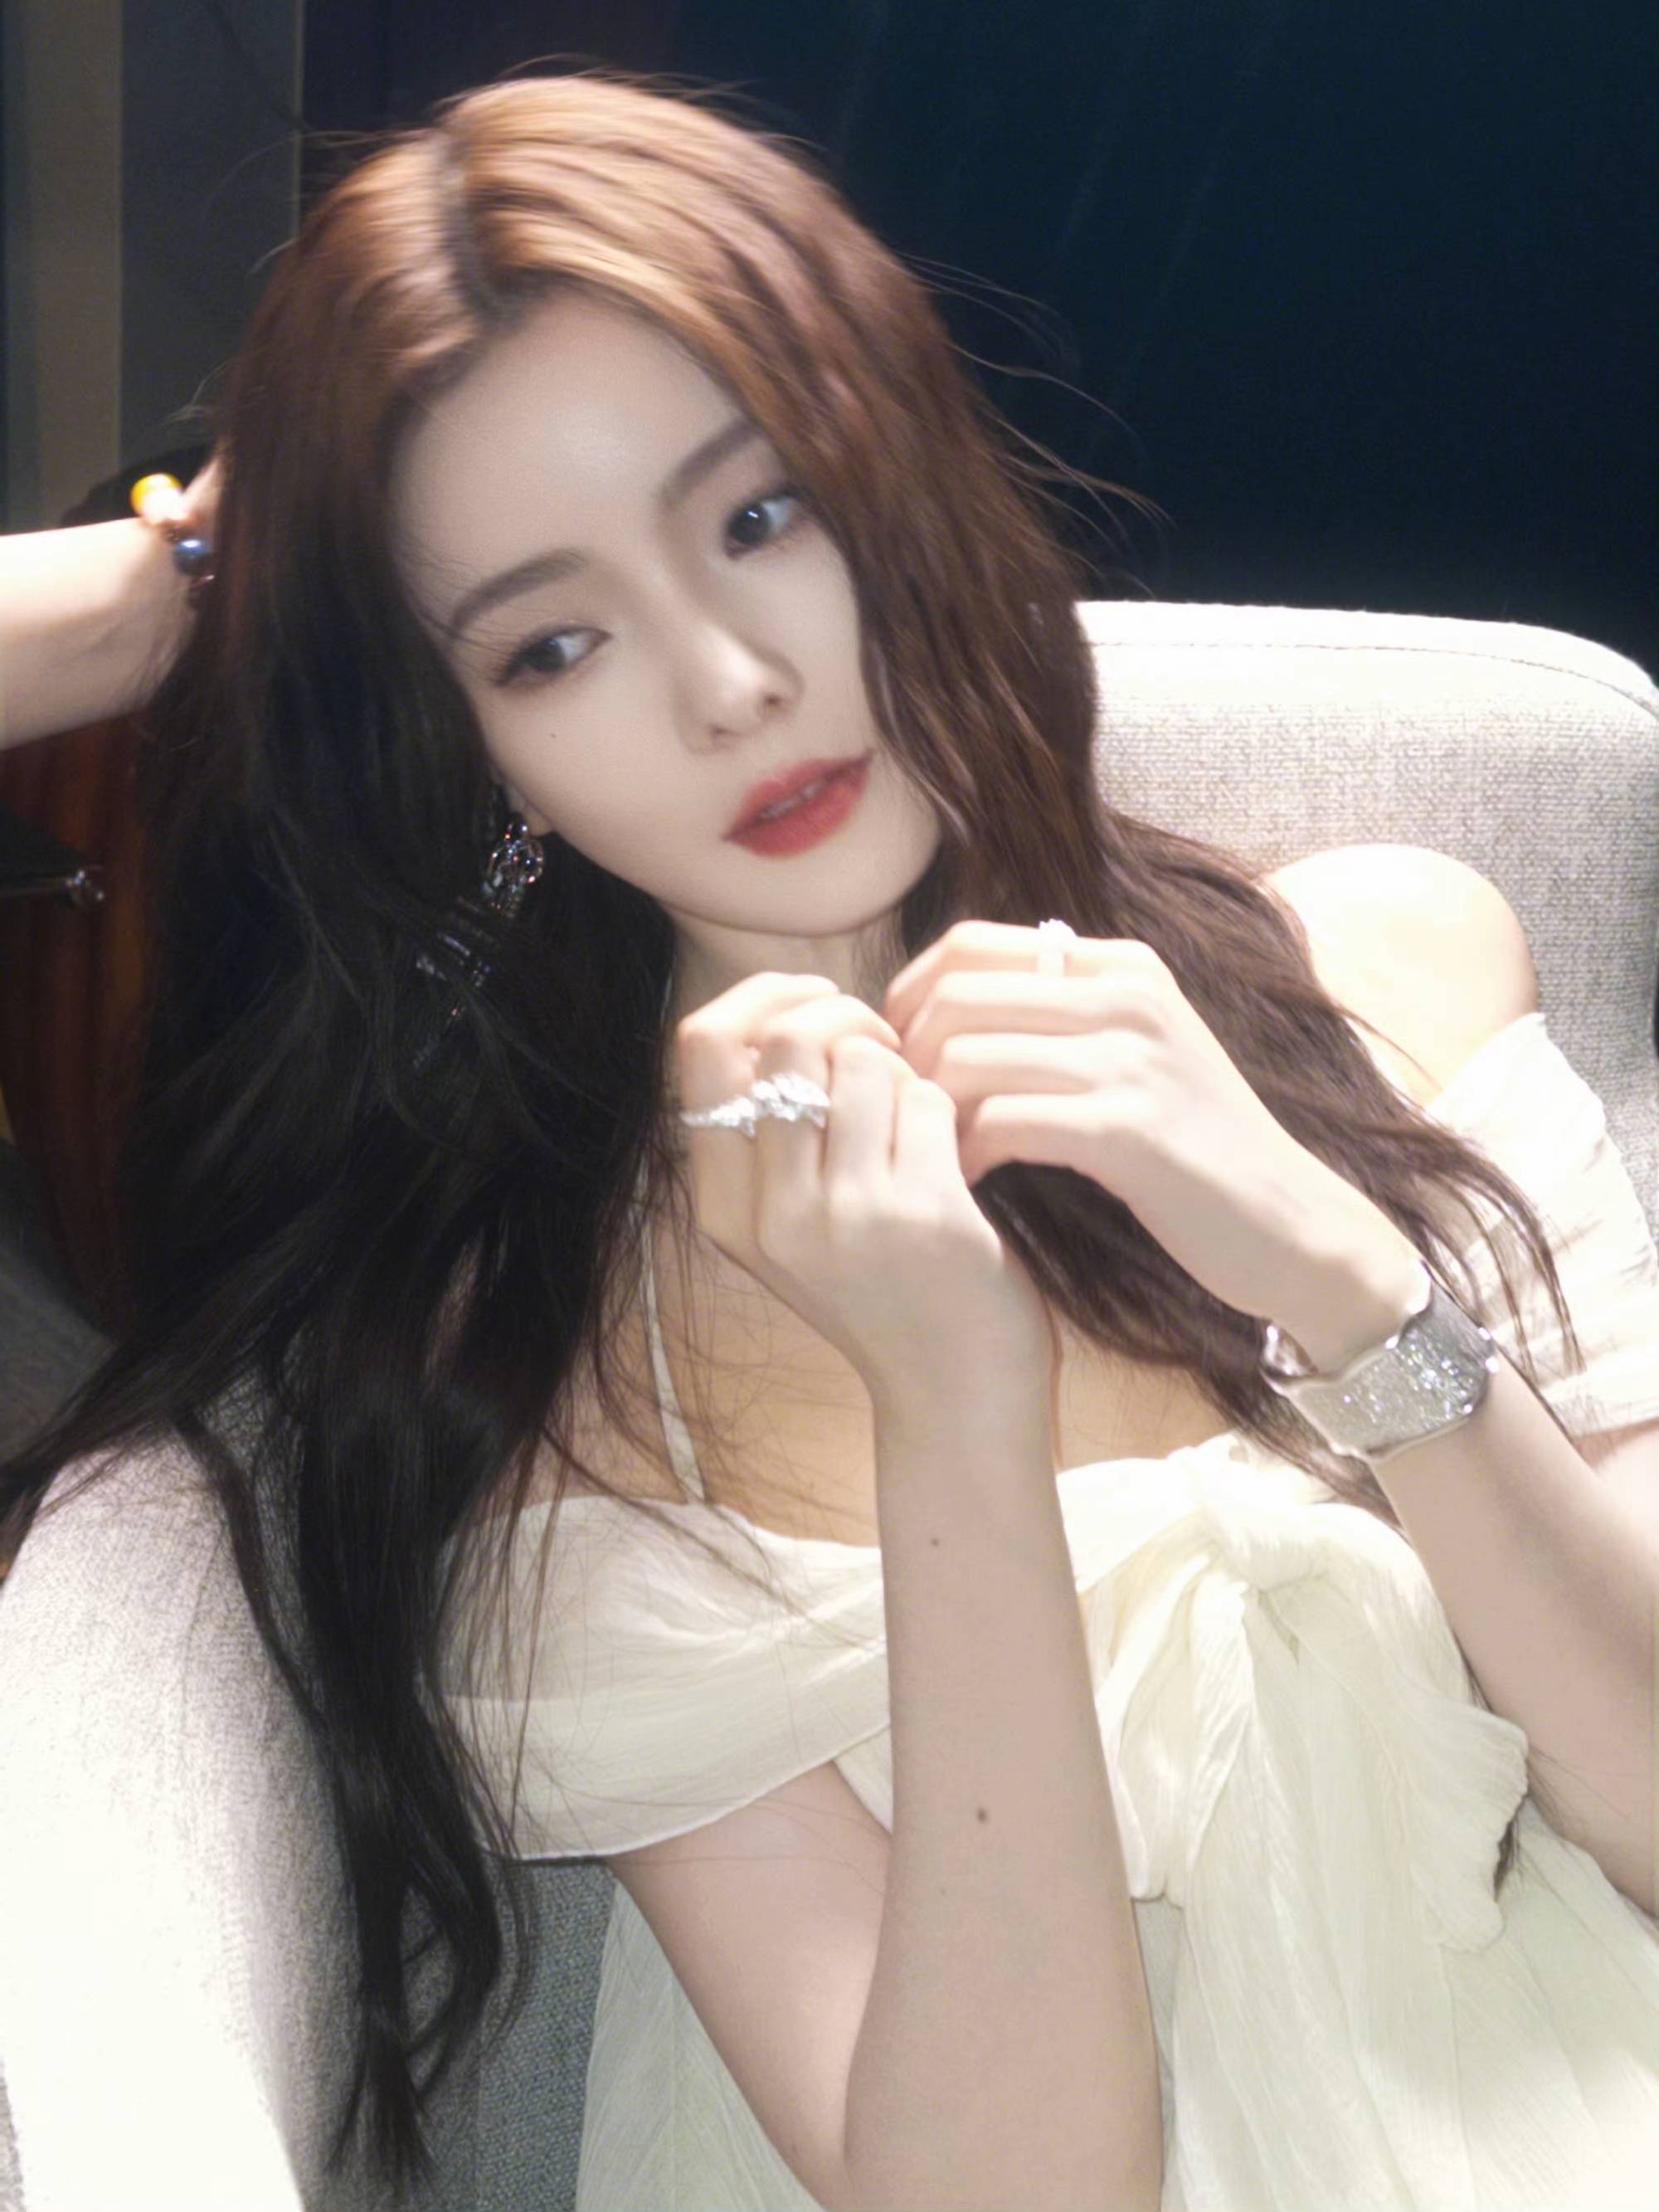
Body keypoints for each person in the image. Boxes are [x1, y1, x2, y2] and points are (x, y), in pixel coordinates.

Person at [2, 64, 1657, 2212]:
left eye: (759, 516)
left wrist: (1341, 1279)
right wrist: (951, 1405)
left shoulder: (1391, 969)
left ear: (893, 468)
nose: (725, 685)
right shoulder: (534, 1363)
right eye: (554, 643)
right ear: (477, 752)